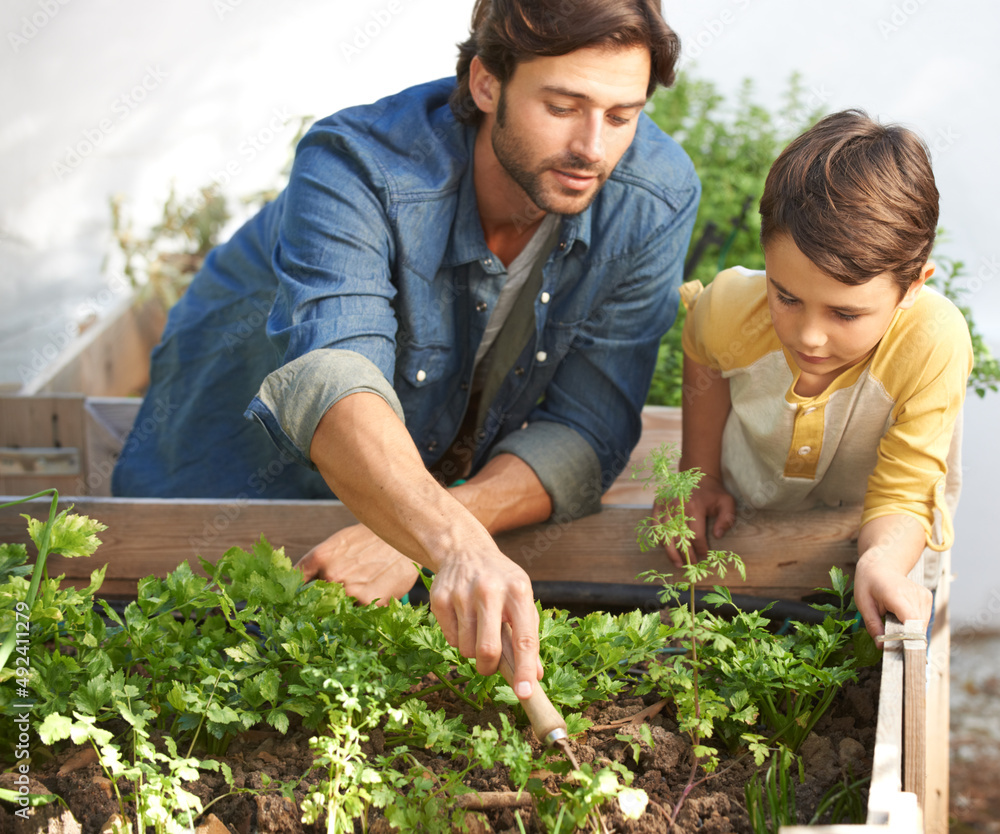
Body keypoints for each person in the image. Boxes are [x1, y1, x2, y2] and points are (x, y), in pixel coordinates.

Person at [112, 0, 700, 699]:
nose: (593, 148)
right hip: (236, 463)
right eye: (564, 106)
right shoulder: (356, 165)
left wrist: (427, 529)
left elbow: (590, 426)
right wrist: (446, 542)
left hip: (413, 490)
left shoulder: (653, 197)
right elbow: (334, 379)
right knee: (173, 669)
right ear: (487, 83)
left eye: (621, 115)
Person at [664, 109, 973, 640]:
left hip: (875, 522)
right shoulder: (731, 309)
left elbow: (903, 496)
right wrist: (701, 473)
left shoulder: (931, 343)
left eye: (846, 314)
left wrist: (880, 561)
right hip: (749, 503)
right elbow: (702, 349)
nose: (809, 336)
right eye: (786, 296)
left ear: (914, 285)